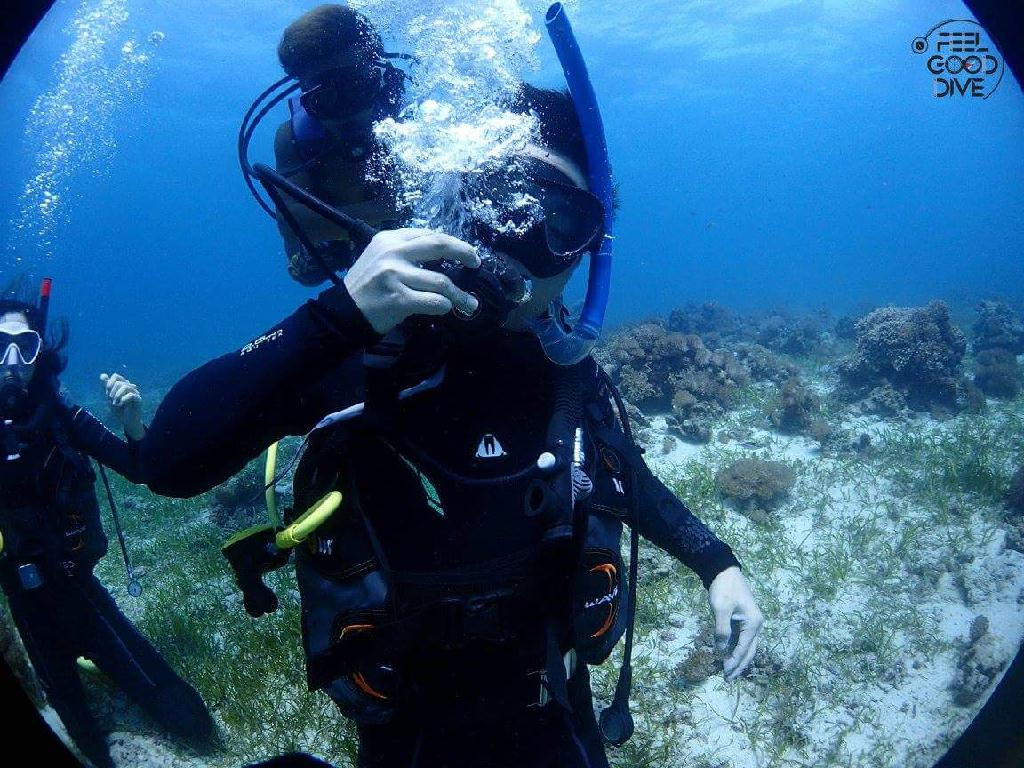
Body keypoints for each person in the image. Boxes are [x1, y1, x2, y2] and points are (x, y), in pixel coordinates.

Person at [144, 71, 763, 768]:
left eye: (556, 223)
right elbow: (170, 460)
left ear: (586, 252)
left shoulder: (564, 371)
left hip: (555, 706)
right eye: (495, 203)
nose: (513, 246)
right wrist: (336, 315)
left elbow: (620, 472)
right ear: (447, 210)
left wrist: (718, 565)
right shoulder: (366, 356)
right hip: (406, 730)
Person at [0, 281, 215, 768]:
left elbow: (141, 469)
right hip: (22, 600)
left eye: (25, 344)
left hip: (80, 590)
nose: (12, 359)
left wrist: (134, 422)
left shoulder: (66, 418)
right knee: (82, 741)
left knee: (190, 722)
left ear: (41, 353)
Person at [271, 5, 407, 286]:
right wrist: (393, 207)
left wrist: (329, 226)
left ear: (379, 79)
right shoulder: (295, 139)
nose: (345, 113)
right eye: (324, 99)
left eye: (356, 88)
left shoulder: (416, 124)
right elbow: (292, 224)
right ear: (306, 97)